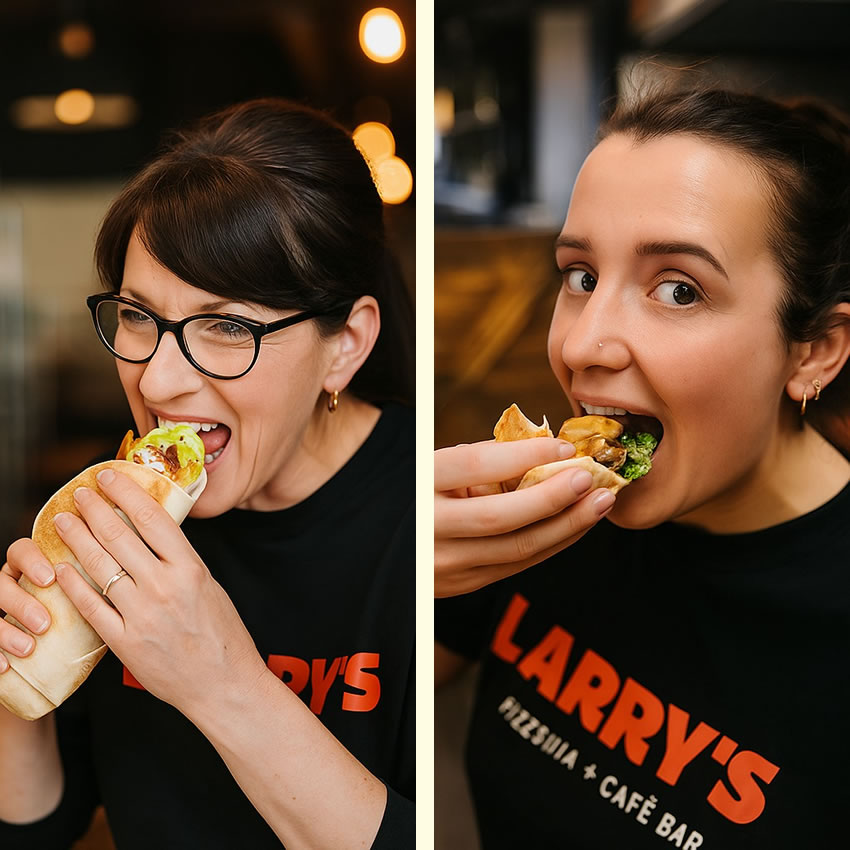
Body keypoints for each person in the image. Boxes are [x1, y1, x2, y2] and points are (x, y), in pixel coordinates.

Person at [435, 87, 850, 848]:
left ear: (812, 350)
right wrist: (392, 567)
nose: (585, 344)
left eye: (678, 290)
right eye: (581, 276)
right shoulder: (521, 515)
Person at [0, 98, 414, 849]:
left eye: (225, 327)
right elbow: (39, 827)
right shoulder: (118, 506)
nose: (156, 383)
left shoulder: (432, 523)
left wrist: (220, 683)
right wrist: (15, 679)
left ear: (345, 345)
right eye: (136, 316)